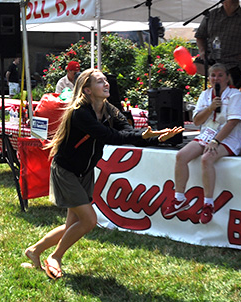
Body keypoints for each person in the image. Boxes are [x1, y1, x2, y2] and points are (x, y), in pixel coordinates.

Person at [22, 69, 183, 280]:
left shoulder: (107, 109)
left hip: (85, 171)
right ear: (87, 90)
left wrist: (156, 138)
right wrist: (147, 138)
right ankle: (55, 257)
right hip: (67, 171)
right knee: (89, 221)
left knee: (73, 225)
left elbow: (126, 127)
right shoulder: (80, 112)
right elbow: (110, 136)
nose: (106, 84)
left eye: (106, 80)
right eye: (100, 82)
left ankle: (33, 251)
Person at [162, 63, 241, 223]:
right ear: (209, 78)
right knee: (181, 156)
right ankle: (179, 199)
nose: (216, 78)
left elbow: (233, 122)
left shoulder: (235, 95)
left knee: (206, 158)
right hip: (207, 134)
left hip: (228, 137)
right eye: (213, 75)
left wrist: (216, 141)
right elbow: (197, 120)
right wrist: (210, 108)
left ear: (227, 77)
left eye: (220, 75)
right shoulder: (205, 95)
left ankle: (208, 204)